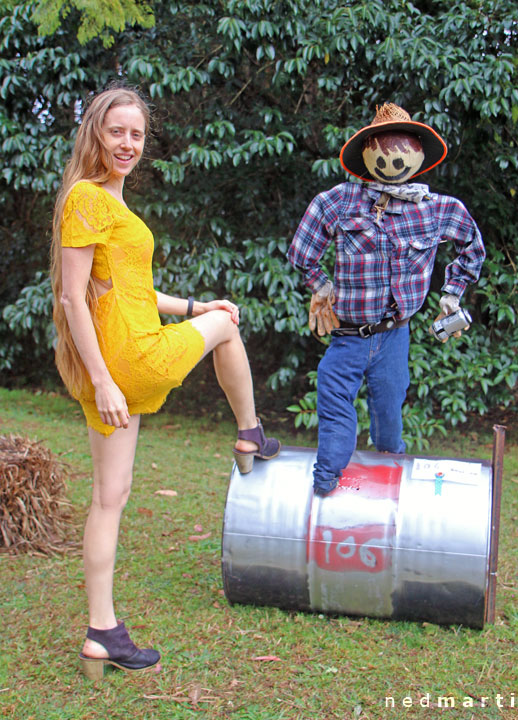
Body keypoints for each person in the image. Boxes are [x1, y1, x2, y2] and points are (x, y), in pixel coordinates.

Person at [50, 87, 280, 680]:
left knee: (110, 497)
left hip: (118, 358)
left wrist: (195, 303)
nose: (127, 144)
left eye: (137, 135)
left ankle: (102, 631)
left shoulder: (108, 205)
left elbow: (132, 294)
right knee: (227, 328)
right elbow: (70, 297)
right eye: (116, 132)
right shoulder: (86, 199)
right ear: (94, 133)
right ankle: (251, 432)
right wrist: (103, 380)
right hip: (126, 361)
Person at [288, 102, 486, 496]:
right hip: (348, 334)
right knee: (333, 396)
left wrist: (452, 293)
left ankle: (391, 478)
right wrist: (321, 285)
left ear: (417, 153)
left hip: (396, 335)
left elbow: (473, 247)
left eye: (401, 148)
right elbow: (302, 251)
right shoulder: (340, 201)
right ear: (366, 153)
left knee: (389, 409)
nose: (392, 158)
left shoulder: (437, 209)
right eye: (382, 148)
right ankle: (327, 477)